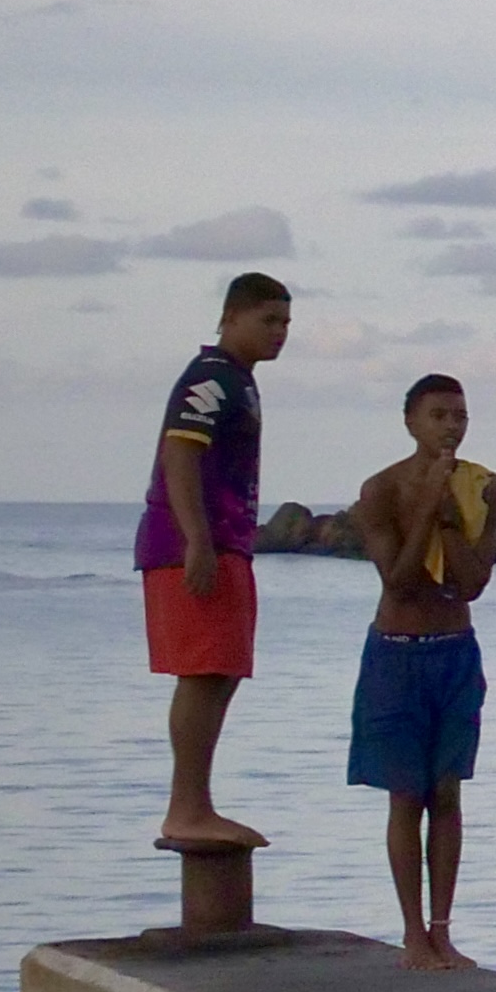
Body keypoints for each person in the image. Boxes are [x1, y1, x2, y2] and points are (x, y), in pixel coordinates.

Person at [343, 373, 496, 966]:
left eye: (460, 416)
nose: (451, 427)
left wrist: (453, 515)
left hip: (454, 650)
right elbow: (400, 579)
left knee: (447, 791)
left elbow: (472, 582)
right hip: (396, 652)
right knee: (406, 796)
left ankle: (443, 927)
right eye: (438, 416)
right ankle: (412, 932)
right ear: (411, 422)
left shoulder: (483, 489)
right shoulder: (380, 490)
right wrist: (428, 502)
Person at [140, 272, 292, 856]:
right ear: (230, 317)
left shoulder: (239, 382)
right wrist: (196, 539)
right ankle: (188, 807)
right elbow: (179, 452)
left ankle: (197, 801)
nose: (278, 334)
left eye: (284, 324)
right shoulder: (210, 377)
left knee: (223, 669)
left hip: (230, 541)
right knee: (203, 671)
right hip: (192, 545)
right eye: (267, 321)